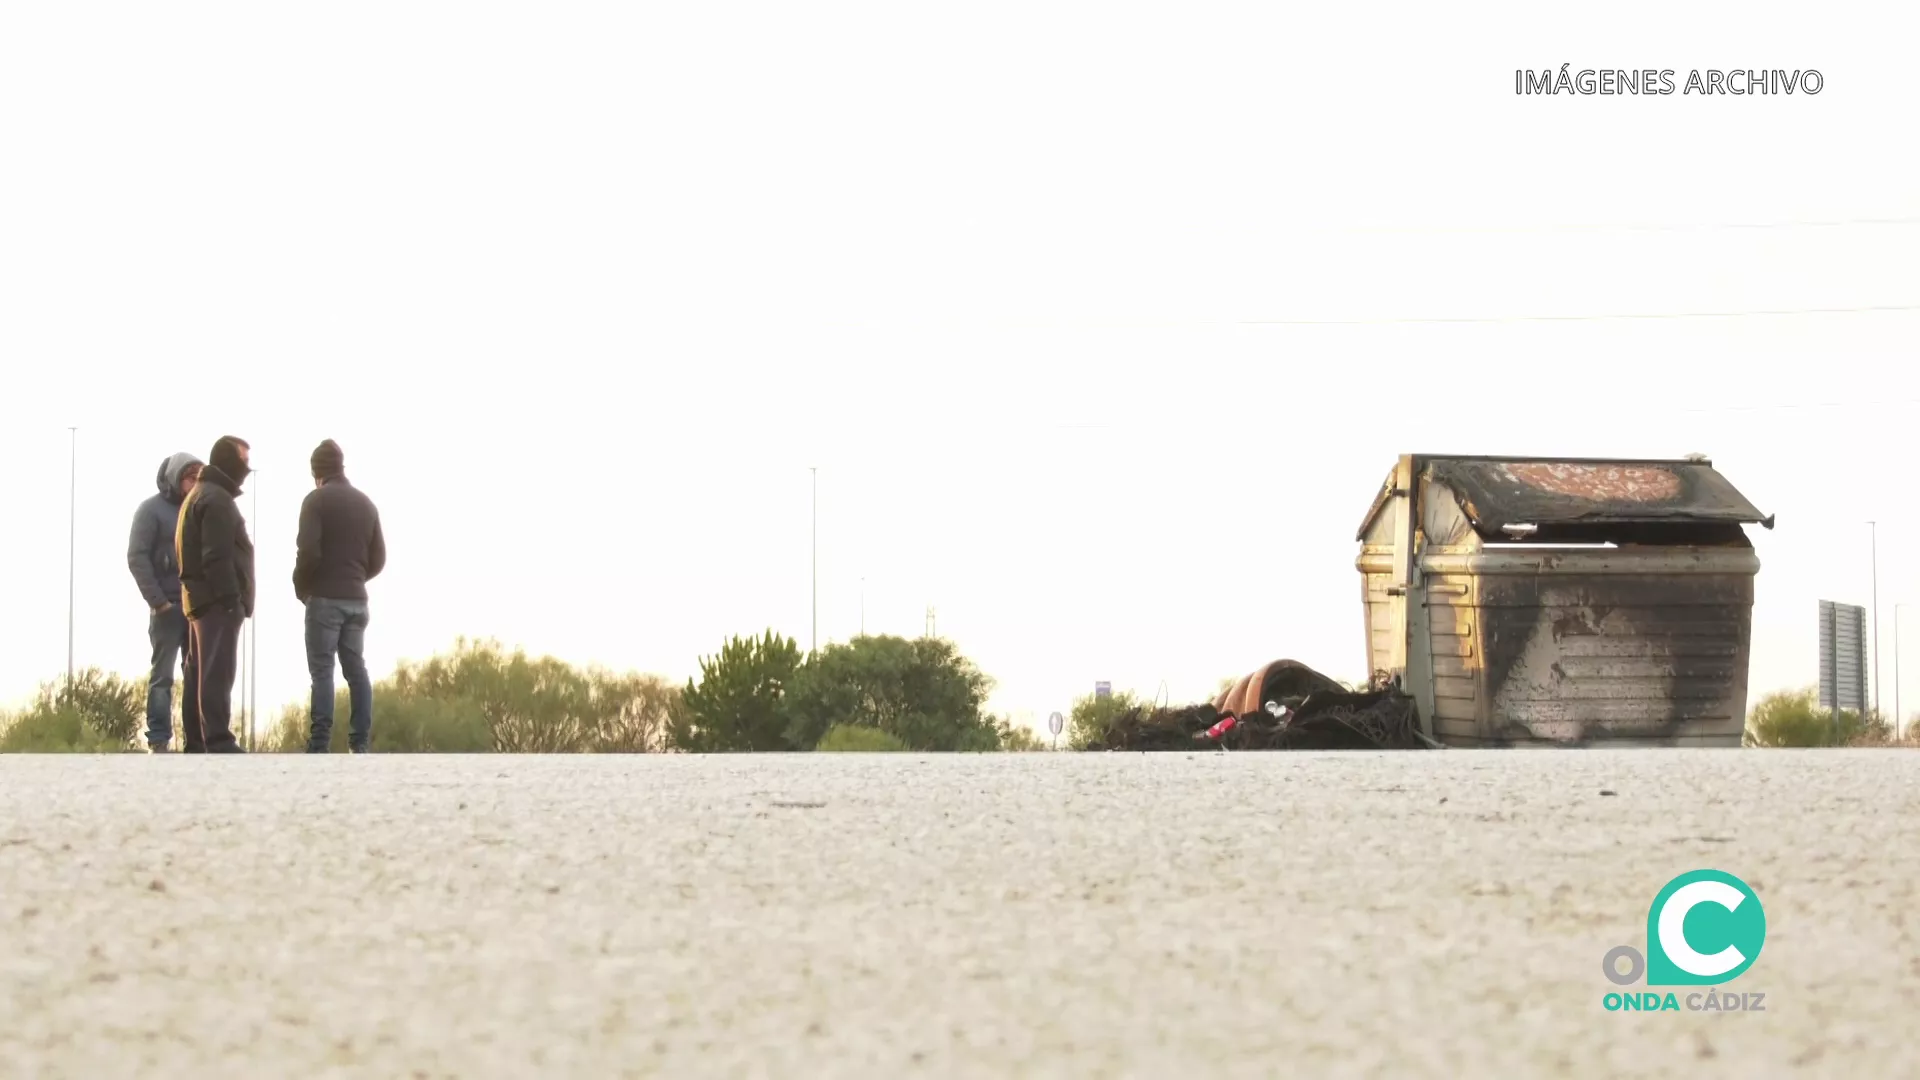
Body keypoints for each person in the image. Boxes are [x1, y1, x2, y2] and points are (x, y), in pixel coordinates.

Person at [293, 439, 386, 753]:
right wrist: (356, 578)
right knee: (356, 669)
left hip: (324, 598)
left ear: (317, 472)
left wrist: (301, 586)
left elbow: (308, 552)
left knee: (322, 671)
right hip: (357, 600)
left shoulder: (315, 501)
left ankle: (319, 743)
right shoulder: (366, 504)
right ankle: (359, 743)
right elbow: (379, 558)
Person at [176, 435, 255, 754]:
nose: (247, 469)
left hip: (199, 600)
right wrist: (231, 600)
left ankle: (198, 742)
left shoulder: (199, 495)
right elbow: (216, 557)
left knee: (199, 671)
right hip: (215, 602)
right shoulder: (217, 499)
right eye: (244, 461)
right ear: (228, 461)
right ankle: (219, 740)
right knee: (216, 671)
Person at [127, 452, 204, 753]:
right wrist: (158, 602)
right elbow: (137, 557)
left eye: (199, 477)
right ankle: (159, 739)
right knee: (162, 676)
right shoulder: (150, 510)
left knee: (197, 676)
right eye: (189, 476)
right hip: (168, 607)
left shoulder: (200, 510)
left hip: (197, 608)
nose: (195, 482)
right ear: (175, 477)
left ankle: (197, 741)